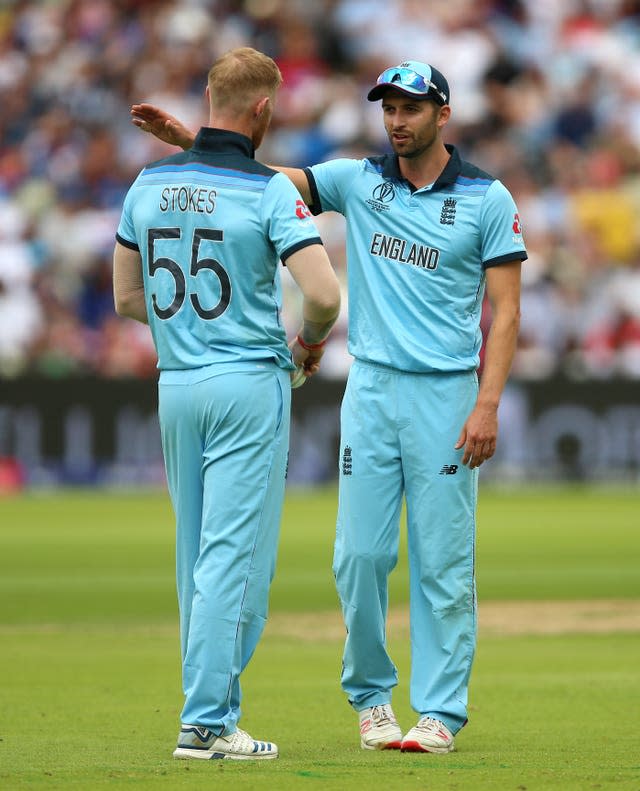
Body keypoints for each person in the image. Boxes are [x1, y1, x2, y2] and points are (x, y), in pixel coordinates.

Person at [131, 59, 526, 755]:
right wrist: (192, 140)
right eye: (388, 109)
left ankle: (439, 709)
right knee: (359, 555)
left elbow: (508, 310)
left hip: (446, 390)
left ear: (443, 113)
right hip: (370, 387)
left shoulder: (487, 199)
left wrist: (487, 403)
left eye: (411, 108)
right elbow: (258, 182)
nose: (397, 121)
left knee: (442, 559)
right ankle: (372, 696)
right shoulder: (357, 179)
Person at [113, 47, 341, 761]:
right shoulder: (269, 192)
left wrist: (189, 332)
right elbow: (326, 295)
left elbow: (126, 298)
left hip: (176, 382)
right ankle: (207, 720)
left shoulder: (146, 183)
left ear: (210, 99)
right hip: (246, 381)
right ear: (263, 109)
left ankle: (206, 711)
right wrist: (307, 345)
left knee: (196, 560)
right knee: (235, 560)